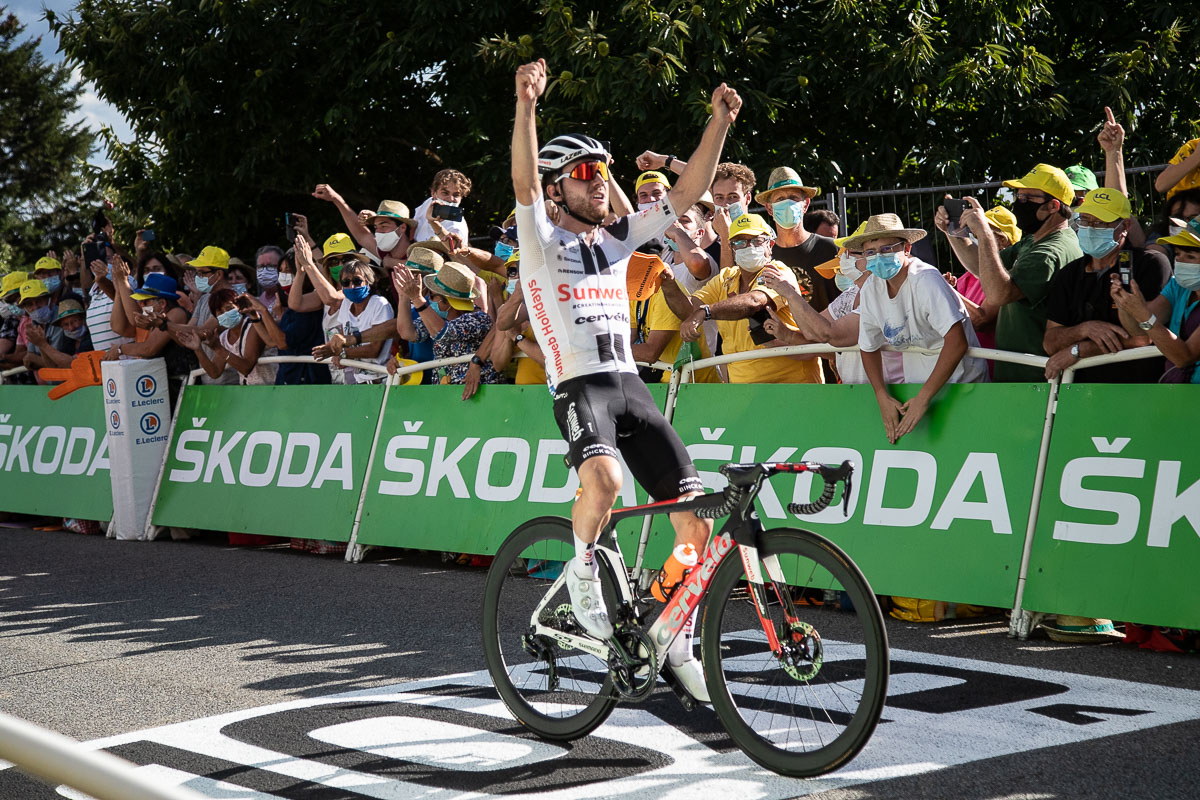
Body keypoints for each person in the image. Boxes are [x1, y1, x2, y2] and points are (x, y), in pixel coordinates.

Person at [513, 57, 740, 701]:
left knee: (697, 524)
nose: (599, 183)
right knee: (606, 478)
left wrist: (717, 124)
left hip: (631, 386)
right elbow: (524, 182)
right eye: (585, 175)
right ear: (559, 189)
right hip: (581, 387)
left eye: (603, 173)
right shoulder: (538, 239)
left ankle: (671, 632)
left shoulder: (613, 243)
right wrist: (527, 105)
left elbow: (688, 193)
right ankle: (582, 574)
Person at [846, 214, 987, 443]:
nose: (878, 257)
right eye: (870, 252)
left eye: (886, 248)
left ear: (907, 248)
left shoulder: (925, 280)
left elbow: (956, 341)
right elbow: (868, 346)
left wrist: (924, 397)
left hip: (961, 387)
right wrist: (881, 396)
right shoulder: (871, 287)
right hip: (919, 391)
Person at [662, 213, 822, 384]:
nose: (749, 247)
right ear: (731, 248)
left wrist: (706, 311)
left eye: (756, 241)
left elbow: (755, 302)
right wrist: (668, 284)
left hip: (792, 385)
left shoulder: (778, 271)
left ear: (770, 245)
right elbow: (689, 310)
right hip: (742, 389)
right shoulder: (726, 278)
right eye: (740, 242)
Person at [1042, 188, 1171, 382]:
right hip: (1082, 393)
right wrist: (1084, 329)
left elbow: (1145, 336)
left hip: (1140, 388)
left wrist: (1080, 349)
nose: (1091, 228)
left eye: (1101, 223)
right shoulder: (1069, 274)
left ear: (1125, 225)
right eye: (1085, 221)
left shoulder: (1150, 264)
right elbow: (1050, 342)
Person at [969, 164, 1083, 381]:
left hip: (1035, 376)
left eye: (1025, 199)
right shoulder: (1035, 239)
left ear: (1053, 206)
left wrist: (984, 235)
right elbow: (982, 266)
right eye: (1017, 196)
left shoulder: (1049, 252)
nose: (1017, 204)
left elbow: (999, 294)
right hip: (1020, 371)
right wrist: (954, 234)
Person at [1110, 218, 1200, 383]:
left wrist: (1143, 315)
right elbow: (1139, 329)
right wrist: (1124, 302)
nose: (1180, 262)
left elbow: (1184, 357)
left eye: (1190, 256)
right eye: (1178, 254)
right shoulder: (1178, 286)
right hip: (1176, 395)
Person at [394, 260, 505, 392]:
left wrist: (417, 298)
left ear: (448, 301)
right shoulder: (438, 318)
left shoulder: (479, 319)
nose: (429, 300)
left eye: (433, 296)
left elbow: (443, 333)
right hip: (446, 396)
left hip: (480, 396)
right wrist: (404, 297)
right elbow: (407, 333)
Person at [302, 245, 395, 385]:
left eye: (357, 281)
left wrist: (340, 353)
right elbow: (343, 342)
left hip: (381, 381)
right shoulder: (346, 304)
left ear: (369, 282)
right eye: (346, 282)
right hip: (358, 382)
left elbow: (374, 350)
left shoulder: (380, 304)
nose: (352, 286)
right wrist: (336, 351)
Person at [756, 166, 840, 313]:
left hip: (827, 334)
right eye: (780, 199)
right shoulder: (764, 256)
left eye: (794, 198)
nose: (787, 204)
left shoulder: (831, 249)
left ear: (805, 204)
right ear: (769, 209)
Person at [177, 289, 278, 385]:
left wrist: (218, 348)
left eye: (229, 308)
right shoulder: (224, 337)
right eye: (220, 312)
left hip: (273, 387)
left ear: (239, 308)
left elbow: (246, 367)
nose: (226, 314)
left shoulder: (253, 326)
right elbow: (215, 372)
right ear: (216, 317)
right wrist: (198, 349)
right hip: (250, 391)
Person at [313, 186, 417, 267]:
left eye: (384, 226)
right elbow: (362, 236)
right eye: (376, 227)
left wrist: (391, 262)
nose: (379, 232)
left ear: (403, 227)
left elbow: (424, 267)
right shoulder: (385, 254)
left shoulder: (418, 252)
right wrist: (336, 199)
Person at [412, 169, 472, 248]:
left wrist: (433, 222)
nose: (450, 199)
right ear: (433, 193)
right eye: (445, 193)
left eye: (456, 195)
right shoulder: (429, 202)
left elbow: (454, 252)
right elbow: (414, 223)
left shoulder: (457, 227)